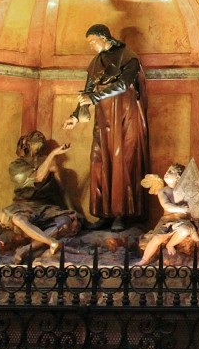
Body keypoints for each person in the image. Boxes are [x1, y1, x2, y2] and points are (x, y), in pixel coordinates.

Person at [63, 24, 150, 231]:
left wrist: (95, 97)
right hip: (103, 118)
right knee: (100, 161)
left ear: (104, 37)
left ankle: (121, 213)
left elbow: (123, 84)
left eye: (93, 41)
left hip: (125, 115)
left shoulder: (128, 57)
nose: (91, 46)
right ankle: (104, 213)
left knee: (122, 162)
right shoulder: (95, 62)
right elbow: (87, 91)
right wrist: (76, 116)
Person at [0, 131, 82, 259]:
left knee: (65, 222)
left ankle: (27, 249)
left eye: (42, 136)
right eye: (36, 135)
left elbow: (62, 191)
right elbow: (38, 178)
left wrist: (74, 212)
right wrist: (52, 154)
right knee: (18, 219)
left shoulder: (51, 163)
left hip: (45, 207)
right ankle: (49, 241)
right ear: (25, 143)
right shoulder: (16, 165)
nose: (41, 136)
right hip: (24, 205)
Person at [137, 162, 199, 266]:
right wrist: (180, 208)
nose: (167, 173)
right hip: (167, 221)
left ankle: (170, 245)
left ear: (179, 178)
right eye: (168, 171)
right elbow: (166, 205)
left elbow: (196, 203)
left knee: (185, 230)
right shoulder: (163, 191)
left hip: (182, 221)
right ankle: (144, 259)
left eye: (171, 172)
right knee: (157, 239)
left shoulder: (186, 192)